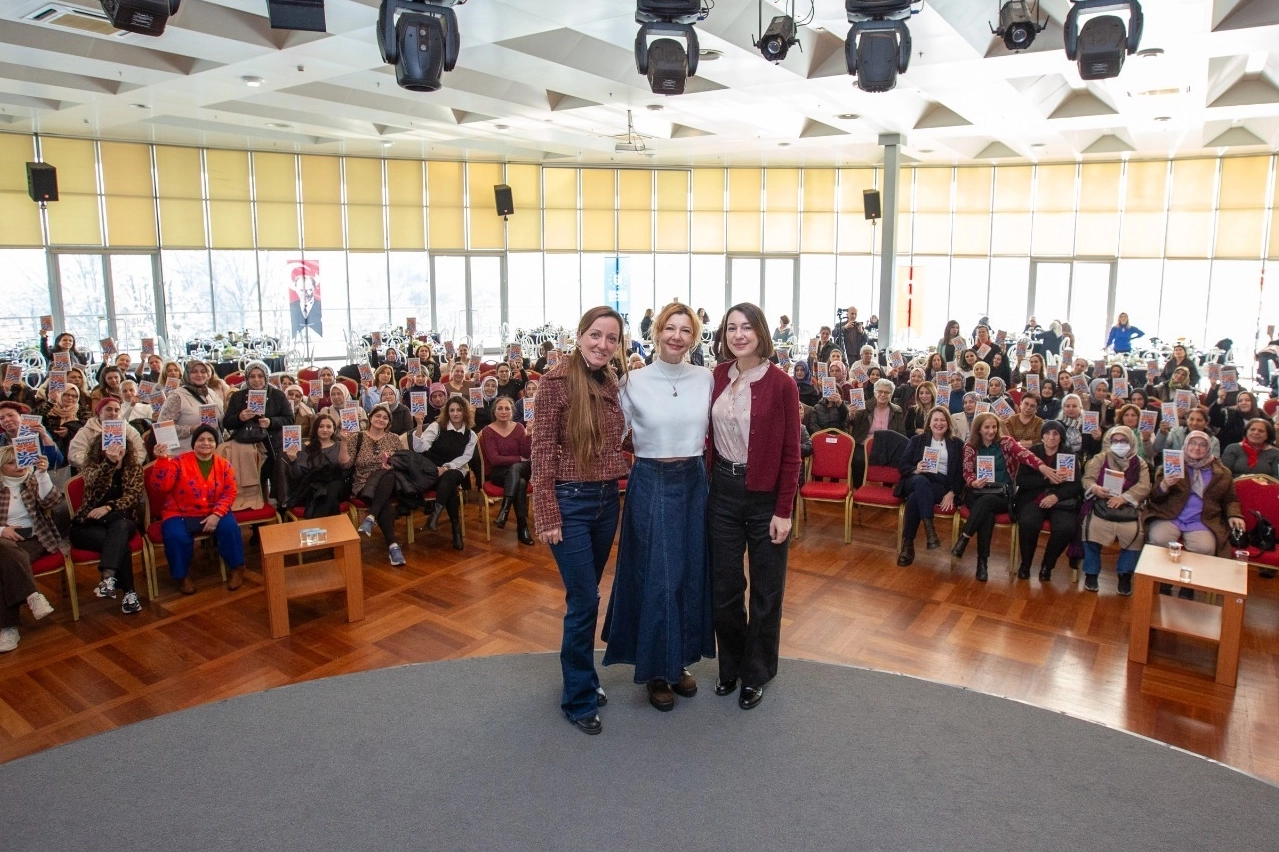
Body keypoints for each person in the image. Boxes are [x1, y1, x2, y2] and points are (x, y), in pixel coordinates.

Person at [602, 302, 715, 711]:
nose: (676, 336)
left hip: (694, 483)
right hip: (651, 481)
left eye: (685, 330)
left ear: (694, 337)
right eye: (670, 327)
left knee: (689, 573)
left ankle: (678, 660)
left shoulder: (706, 378)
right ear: (657, 332)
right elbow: (609, 434)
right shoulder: (632, 381)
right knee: (659, 577)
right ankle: (654, 669)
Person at [531, 306, 629, 735]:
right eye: (595, 335)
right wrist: (547, 512)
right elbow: (540, 450)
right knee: (585, 600)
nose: (602, 345)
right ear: (580, 335)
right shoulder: (555, 383)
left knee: (587, 596)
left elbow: (613, 442)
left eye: (611, 338)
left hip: (607, 500)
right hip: (570, 503)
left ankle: (584, 678)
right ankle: (577, 698)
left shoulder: (609, 380)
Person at [708, 302, 800, 712]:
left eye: (746, 327)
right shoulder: (716, 376)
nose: (738, 335)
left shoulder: (782, 384)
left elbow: (791, 454)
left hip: (766, 499)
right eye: (731, 328)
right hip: (722, 493)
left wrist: (784, 510)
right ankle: (730, 665)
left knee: (766, 591)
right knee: (725, 589)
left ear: (761, 332)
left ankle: (757, 672)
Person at [952, 412, 1056, 581]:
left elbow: (1025, 454)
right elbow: (967, 471)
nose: (991, 431)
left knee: (986, 503)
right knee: (986, 512)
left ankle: (965, 538)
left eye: (994, 427)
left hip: (1001, 493)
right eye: (987, 427)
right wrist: (973, 482)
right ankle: (982, 563)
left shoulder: (1006, 442)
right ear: (978, 429)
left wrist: (1042, 467)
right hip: (977, 491)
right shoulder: (970, 446)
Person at [148, 425, 246, 594]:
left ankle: (237, 568)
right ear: (193, 443)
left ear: (216, 444)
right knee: (175, 536)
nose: (206, 443)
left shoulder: (225, 465)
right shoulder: (177, 462)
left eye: (210, 440)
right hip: (180, 512)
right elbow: (161, 486)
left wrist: (217, 514)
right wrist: (162, 460)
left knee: (230, 528)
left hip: (214, 511)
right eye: (201, 439)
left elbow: (230, 492)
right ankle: (181, 576)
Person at [69, 430, 145, 614]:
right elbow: (95, 485)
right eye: (109, 446)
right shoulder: (92, 468)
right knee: (119, 542)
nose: (116, 449)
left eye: (119, 446)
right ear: (100, 450)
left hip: (121, 520)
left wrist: (109, 507)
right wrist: (109, 463)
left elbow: (133, 497)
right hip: (89, 524)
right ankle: (129, 594)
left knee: (119, 528)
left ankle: (109, 577)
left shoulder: (134, 468)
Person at [1145, 430, 1244, 561]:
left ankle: (1186, 575)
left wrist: (1235, 515)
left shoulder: (1222, 472)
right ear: (1186, 444)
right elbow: (1155, 497)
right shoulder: (1173, 464)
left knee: (1205, 548)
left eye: (1202, 445)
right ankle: (1162, 574)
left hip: (1202, 519)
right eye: (1193, 443)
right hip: (1170, 515)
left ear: (1209, 448)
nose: (1197, 448)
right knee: (1159, 539)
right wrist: (1164, 485)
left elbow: (1231, 499)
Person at [0, 444, 59, 651]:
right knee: (4, 549)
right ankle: (33, 595)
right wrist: (2, 530)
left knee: (5, 561)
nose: (18, 466)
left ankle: (8, 629)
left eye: (20, 460)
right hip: (3, 539)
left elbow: (52, 501)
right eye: (11, 463)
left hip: (33, 537)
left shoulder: (33, 480)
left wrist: (42, 475)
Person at [1080, 425, 1151, 593]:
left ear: (1131, 442)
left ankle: (1125, 575)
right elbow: (1087, 479)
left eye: (1123, 441)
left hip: (1128, 506)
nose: (1119, 444)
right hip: (1101, 503)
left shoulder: (1140, 463)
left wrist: (1124, 498)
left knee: (1136, 534)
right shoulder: (1100, 458)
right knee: (1090, 528)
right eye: (1115, 441)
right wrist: (1096, 488)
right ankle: (1091, 573)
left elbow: (1144, 486)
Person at [1014, 421, 1083, 582]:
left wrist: (1056, 496)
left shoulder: (1069, 455)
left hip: (1060, 502)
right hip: (1033, 498)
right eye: (1047, 433)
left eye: (1055, 434)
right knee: (1028, 523)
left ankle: (1047, 565)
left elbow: (1076, 486)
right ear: (1042, 436)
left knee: (1066, 528)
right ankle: (1025, 564)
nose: (1051, 437)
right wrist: (1047, 480)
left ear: (1061, 437)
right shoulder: (1032, 453)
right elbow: (1021, 480)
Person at [896, 406, 963, 566]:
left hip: (941, 485)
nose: (939, 423)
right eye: (936, 420)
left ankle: (908, 545)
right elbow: (902, 466)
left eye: (943, 420)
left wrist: (952, 492)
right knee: (920, 481)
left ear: (948, 423)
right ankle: (929, 530)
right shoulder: (917, 440)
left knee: (914, 498)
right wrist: (916, 469)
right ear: (929, 422)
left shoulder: (957, 444)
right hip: (916, 478)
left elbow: (961, 473)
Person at [223, 360, 293, 505]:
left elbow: (290, 418)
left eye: (260, 376)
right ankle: (257, 510)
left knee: (278, 483)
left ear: (266, 377)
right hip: (247, 447)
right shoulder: (238, 396)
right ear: (247, 378)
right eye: (252, 376)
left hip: (273, 446)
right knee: (253, 486)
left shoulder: (278, 395)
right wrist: (240, 418)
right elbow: (227, 423)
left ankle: (279, 511)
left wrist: (271, 422)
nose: (256, 380)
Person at [412, 396, 477, 551]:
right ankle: (455, 530)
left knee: (449, 477)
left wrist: (447, 467)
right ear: (447, 412)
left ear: (465, 412)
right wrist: (419, 426)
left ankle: (434, 517)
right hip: (433, 469)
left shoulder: (471, 435)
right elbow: (419, 448)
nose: (455, 413)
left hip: (456, 468)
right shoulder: (437, 427)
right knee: (450, 489)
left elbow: (465, 457)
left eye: (459, 410)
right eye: (451, 410)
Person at [349, 404, 411, 565]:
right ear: (370, 418)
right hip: (363, 483)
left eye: (385, 418)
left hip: (389, 483)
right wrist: (343, 442)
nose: (381, 420)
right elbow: (347, 464)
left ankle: (371, 517)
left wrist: (392, 465)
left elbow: (404, 462)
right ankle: (393, 546)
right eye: (378, 416)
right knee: (384, 502)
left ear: (388, 422)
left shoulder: (394, 438)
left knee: (388, 475)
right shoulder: (357, 438)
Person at [478, 397, 533, 545]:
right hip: (499, 473)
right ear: (494, 412)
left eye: (507, 408)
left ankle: (504, 511)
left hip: (522, 469)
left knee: (516, 469)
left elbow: (527, 455)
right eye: (500, 408)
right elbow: (494, 460)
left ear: (512, 412)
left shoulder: (520, 427)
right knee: (521, 483)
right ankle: (522, 528)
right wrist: (518, 458)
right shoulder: (488, 431)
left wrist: (529, 433)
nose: (504, 412)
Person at [284, 412, 351, 519]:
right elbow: (297, 476)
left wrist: (344, 442)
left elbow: (346, 468)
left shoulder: (339, 445)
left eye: (328, 427)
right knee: (329, 498)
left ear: (334, 429)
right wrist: (293, 460)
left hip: (338, 487)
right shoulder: (305, 447)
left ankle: (317, 524)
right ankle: (328, 526)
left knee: (334, 484)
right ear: (315, 428)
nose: (325, 429)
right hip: (312, 489)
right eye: (321, 426)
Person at [157, 360, 224, 453]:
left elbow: (220, 421)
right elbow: (163, 429)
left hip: (213, 452)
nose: (199, 375)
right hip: (186, 453)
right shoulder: (177, 396)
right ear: (187, 374)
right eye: (194, 371)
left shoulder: (211, 393)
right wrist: (191, 429)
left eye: (203, 371)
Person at [67, 397, 148, 470]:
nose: (113, 413)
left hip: (125, 472)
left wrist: (127, 465)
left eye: (116, 410)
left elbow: (140, 451)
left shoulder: (128, 430)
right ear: (100, 412)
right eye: (109, 409)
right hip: (96, 474)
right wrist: (103, 465)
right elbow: (74, 455)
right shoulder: (86, 431)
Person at [1154, 406, 1220, 459]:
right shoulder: (1175, 432)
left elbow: (1215, 464)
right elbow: (1158, 448)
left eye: (1199, 420)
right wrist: (1163, 433)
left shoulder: (1213, 441)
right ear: (1187, 420)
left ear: (1206, 423)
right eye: (1191, 419)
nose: (1194, 423)